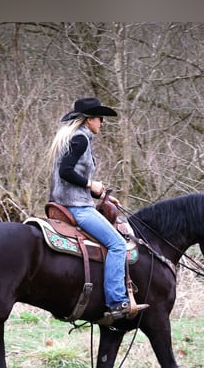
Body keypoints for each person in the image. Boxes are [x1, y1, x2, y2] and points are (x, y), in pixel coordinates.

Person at [47, 97, 148, 321]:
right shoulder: (81, 139)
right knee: (118, 245)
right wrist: (90, 184)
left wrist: (99, 193)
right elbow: (66, 171)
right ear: (90, 119)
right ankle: (116, 301)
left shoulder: (74, 138)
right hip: (77, 207)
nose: (102, 122)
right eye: (100, 118)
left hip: (68, 202)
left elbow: (69, 177)